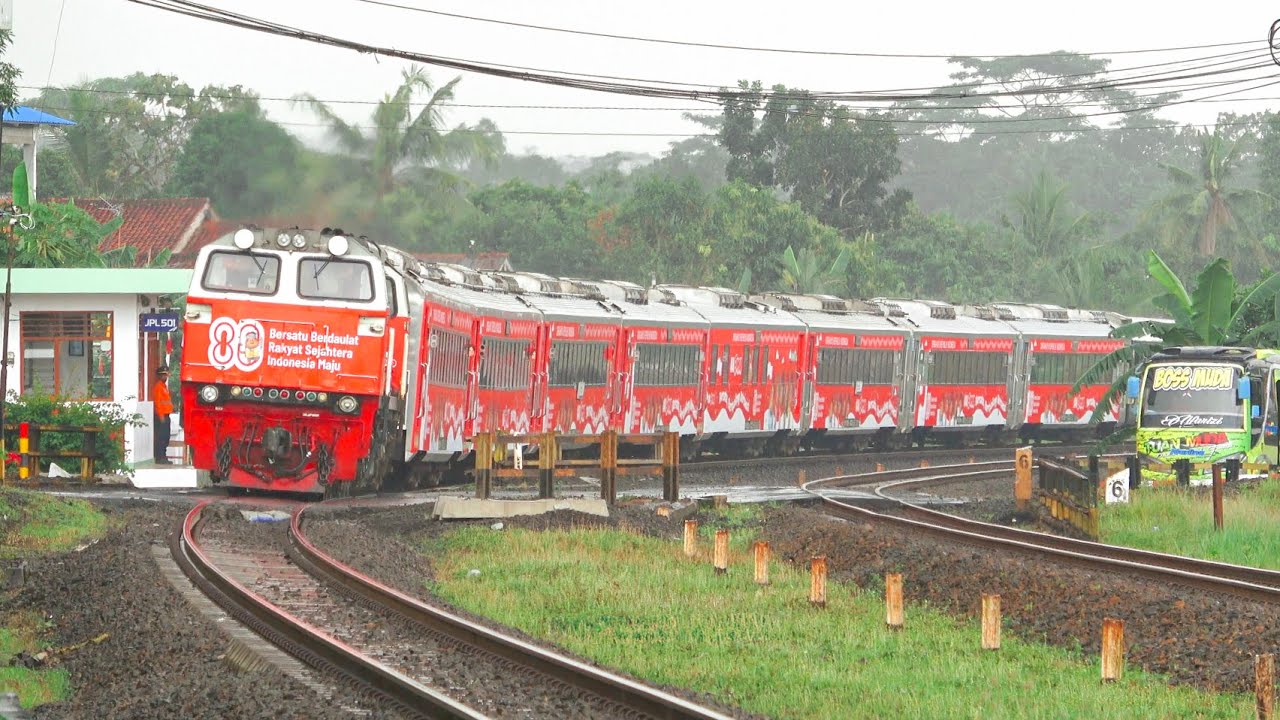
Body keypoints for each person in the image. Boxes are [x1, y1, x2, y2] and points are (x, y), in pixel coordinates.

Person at [153, 367, 174, 465]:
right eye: (164, 375)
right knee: (161, 438)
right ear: (160, 376)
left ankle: (163, 456)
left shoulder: (164, 387)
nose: (165, 377)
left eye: (166, 375)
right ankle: (160, 457)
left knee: (166, 437)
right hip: (161, 416)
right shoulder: (158, 387)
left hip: (166, 415)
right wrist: (161, 416)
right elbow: (158, 403)